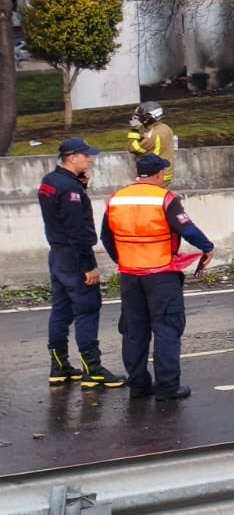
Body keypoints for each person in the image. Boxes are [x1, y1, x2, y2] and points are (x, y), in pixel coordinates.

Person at [101, 154, 214, 400]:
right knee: (166, 329)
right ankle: (167, 387)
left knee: (134, 331)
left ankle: (139, 385)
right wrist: (207, 247)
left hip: (130, 276)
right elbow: (187, 229)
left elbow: (106, 237)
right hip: (161, 275)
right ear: (160, 174)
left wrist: (123, 259)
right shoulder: (165, 198)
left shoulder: (116, 199)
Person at [40, 138, 123, 387]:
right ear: (72, 157)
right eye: (86, 156)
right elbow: (77, 229)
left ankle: (59, 366)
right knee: (86, 309)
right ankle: (93, 369)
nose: (90, 159)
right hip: (75, 257)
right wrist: (89, 265)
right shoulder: (70, 190)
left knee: (60, 311)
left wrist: (81, 185)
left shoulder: (50, 182)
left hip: (56, 255)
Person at [126, 102, 176, 183]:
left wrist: (134, 130)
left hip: (154, 175)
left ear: (149, 118)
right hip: (165, 172)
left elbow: (133, 148)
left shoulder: (151, 135)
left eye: (140, 117)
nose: (137, 120)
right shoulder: (166, 128)